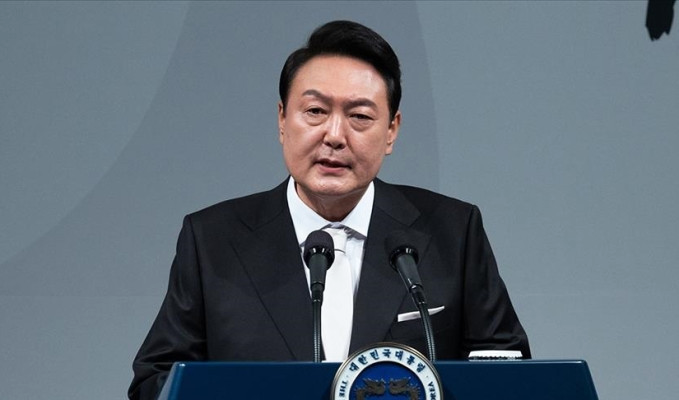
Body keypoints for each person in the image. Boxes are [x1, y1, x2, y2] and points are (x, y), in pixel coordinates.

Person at [129, 20, 530, 400]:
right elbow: (155, 380)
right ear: (282, 119)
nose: (335, 136)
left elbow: (508, 373)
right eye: (315, 112)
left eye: (359, 116)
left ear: (391, 130)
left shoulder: (453, 232)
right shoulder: (213, 239)